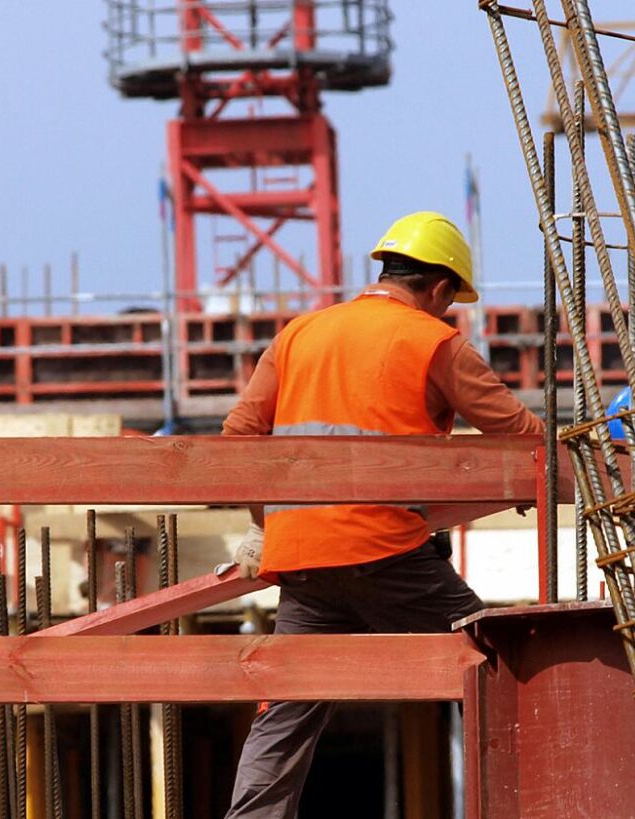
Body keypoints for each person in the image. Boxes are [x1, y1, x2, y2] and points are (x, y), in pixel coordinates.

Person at [220, 211, 544, 818]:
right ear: (441, 288)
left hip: (302, 560)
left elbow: (237, 435)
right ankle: (536, 806)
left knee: (286, 712)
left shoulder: (299, 334)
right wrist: (541, 472)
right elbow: (523, 435)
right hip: (388, 553)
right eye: (450, 302)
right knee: (494, 670)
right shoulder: (432, 342)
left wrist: (265, 524)